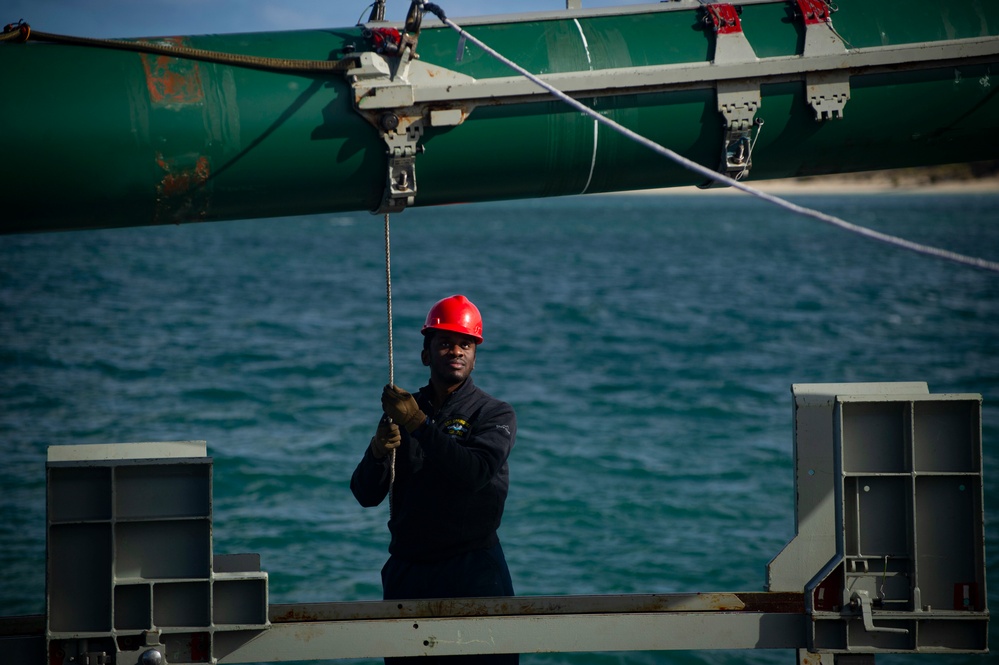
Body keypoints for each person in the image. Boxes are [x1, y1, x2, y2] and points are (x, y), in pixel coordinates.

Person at [351, 294, 518, 665]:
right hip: (409, 573)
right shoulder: (406, 408)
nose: (455, 350)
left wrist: (418, 425)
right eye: (444, 343)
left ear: (475, 356)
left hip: (473, 572)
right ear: (426, 354)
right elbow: (365, 494)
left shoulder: (494, 414)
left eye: (465, 343)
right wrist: (378, 450)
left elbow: (474, 473)